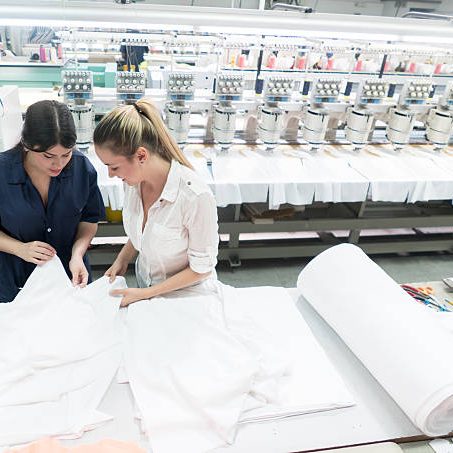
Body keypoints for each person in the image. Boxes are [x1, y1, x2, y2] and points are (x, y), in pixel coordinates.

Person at [93, 99, 219, 307]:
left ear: (141, 155)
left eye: (113, 167)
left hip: (187, 298)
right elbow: (146, 229)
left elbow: (201, 268)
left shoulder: (194, 196)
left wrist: (147, 294)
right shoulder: (133, 182)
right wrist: (123, 259)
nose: (110, 174)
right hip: (147, 290)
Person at [0, 100, 105, 303]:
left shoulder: (82, 169)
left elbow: (89, 220)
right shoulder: (3, 172)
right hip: (15, 282)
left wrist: (77, 253)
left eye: (66, 154)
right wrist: (19, 248)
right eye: (48, 156)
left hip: (70, 277)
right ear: (27, 145)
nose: (59, 164)